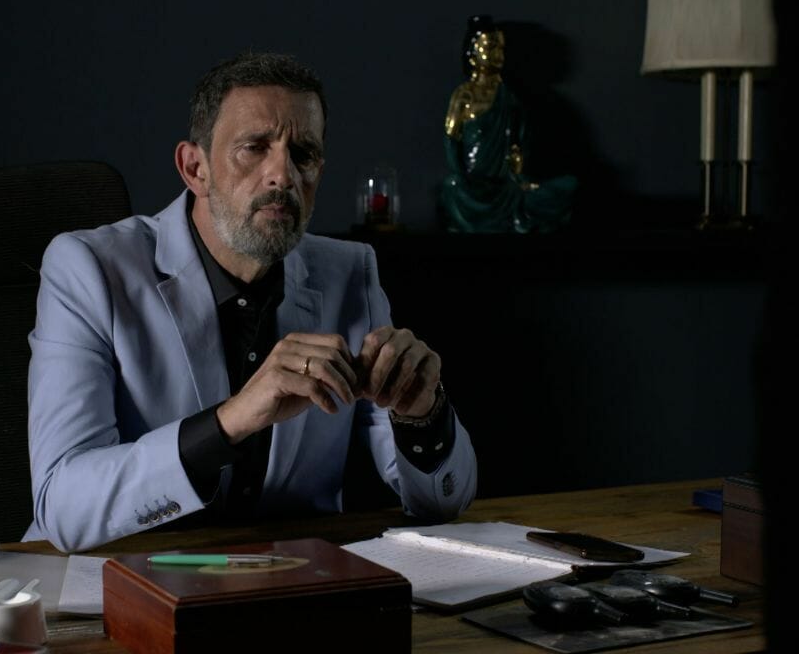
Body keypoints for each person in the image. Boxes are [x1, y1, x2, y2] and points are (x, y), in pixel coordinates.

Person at [24, 52, 478, 552]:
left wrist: (421, 416)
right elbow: (61, 504)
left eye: (303, 154)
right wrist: (231, 422)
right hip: (113, 577)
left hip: (289, 578)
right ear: (195, 168)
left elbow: (442, 503)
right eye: (254, 148)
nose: (282, 174)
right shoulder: (88, 268)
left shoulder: (350, 274)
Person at [441, 15, 576, 233]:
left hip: (507, 187)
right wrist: (463, 175)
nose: (497, 54)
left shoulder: (509, 99)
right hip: (474, 186)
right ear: (472, 53)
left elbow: (519, 143)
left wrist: (518, 168)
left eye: (501, 48)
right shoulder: (465, 95)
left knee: (568, 186)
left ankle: (515, 217)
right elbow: (451, 140)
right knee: (452, 187)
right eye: (490, 47)